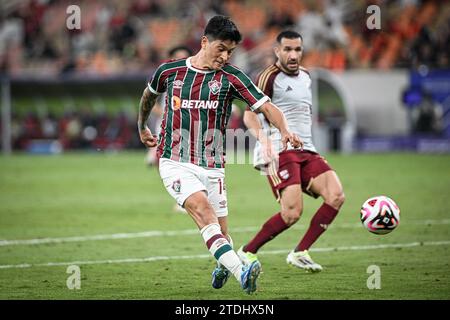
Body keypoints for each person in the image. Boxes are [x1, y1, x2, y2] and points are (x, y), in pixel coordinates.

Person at [137, 16, 302, 294]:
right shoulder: (170, 71)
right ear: (205, 42)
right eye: (221, 49)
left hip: (213, 166)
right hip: (174, 161)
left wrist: (284, 130)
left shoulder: (232, 78)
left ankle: (223, 263)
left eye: (231, 51)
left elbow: (266, 106)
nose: (225, 56)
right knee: (203, 211)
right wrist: (141, 125)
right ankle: (242, 271)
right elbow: (148, 96)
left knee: (221, 232)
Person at [238, 30, 345, 272]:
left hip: (307, 149)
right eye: (287, 49)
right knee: (292, 213)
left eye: (297, 49)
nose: (293, 54)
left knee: (336, 196)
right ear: (277, 51)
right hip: (278, 150)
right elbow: (248, 116)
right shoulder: (267, 78)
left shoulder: (307, 76)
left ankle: (300, 252)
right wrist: (263, 140)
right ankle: (247, 251)